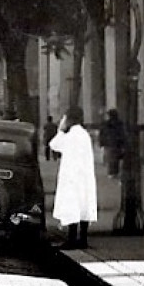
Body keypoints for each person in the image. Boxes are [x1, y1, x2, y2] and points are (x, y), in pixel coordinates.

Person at [50, 106, 97, 249]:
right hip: (84, 177)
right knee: (84, 207)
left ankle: (71, 239)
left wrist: (60, 129)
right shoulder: (84, 134)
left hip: (72, 178)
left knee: (72, 206)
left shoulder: (69, 135)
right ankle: (82, 239)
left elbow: (54, 145)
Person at [99, 109, 128, 177]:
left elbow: (102, 133)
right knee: (114, 158)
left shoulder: (107, 124)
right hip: (114, 143)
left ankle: (112, 172)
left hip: (112, 143)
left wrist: (102, 143)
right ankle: (114, 172)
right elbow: (122, 133)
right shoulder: (117, 123)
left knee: (112, 158)